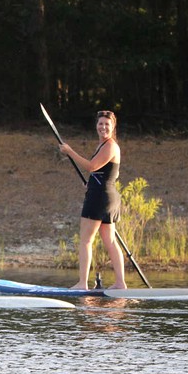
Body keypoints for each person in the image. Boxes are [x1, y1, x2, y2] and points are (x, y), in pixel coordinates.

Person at [59, 110, 127, 290]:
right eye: (100, 124)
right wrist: (92, 183)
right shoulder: (103, 145)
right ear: (96, 126)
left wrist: (69, 151)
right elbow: (110, 173)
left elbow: (91, 166)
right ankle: (120, 283)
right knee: (109, 241)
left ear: (113, 127)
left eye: (107, 124)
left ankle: (83, 284)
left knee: (86, 241)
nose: (103, 127)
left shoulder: (111, 146)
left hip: (100, 199)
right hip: (105, 196)